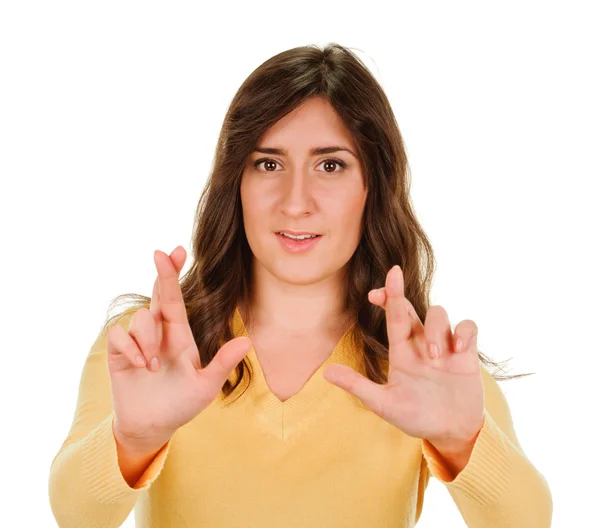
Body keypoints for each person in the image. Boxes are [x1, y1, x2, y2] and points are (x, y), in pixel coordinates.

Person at [48, 43, 553, 527]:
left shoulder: (424, 364)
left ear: (371, 187)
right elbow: (75, 515)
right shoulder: (148, 345)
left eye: (330, 165)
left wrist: (463, 439)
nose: (295, 202)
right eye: (268, 164)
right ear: (236, 184)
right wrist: (133, 439)